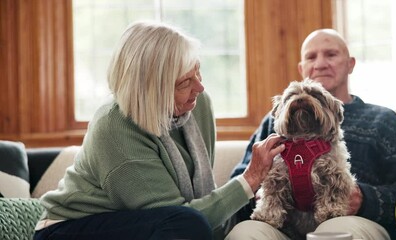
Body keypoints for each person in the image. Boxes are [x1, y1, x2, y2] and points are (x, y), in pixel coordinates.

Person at [33, 21, 285, 240]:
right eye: (185, 82)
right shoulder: (115, 126)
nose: (200, 86)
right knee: (185, 223)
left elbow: (201, 200)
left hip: (151, 224)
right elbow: (178, 217)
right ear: (151, 91)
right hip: (70, 229)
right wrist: (250, 178)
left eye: (197, 70)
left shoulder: (198, 104)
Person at [226, 29, 396, 240]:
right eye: (311, 57)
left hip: (353, 221)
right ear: (302, 68)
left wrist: (366, 199)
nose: (320, 64)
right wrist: (261, 191)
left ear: (350, 64)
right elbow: (238, 187)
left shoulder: (382, 120)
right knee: (246, 233)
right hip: (282, 228)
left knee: (334, 233)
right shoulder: (274, 122)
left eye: (331, 54)